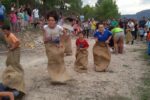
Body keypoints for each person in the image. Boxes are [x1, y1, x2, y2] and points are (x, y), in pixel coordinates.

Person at [43, 11, 71, 84]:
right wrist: (47, 39)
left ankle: (61, 75)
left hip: (57, 44)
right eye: (49, 20)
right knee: (51, 60)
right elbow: (45, 38)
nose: (50, 22)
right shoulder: (45, 27)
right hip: (49, 45)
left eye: (52, 20)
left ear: (55, 21)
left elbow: (65, 33)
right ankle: (54, 76)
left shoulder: (59, 27)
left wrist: (62, 41)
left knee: (59, 59)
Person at [1, 25, 25, 100]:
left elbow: (18, 42)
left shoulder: (11, 35)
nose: (4, 32)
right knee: (9, 62)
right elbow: (9, 43)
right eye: (3, 31)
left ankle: (18, 71)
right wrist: (9, 46)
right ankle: (13, 72)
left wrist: (13, 47)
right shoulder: (6, 35)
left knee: (15, 62)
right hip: (12, 49)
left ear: (9, 30)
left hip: (16, 50)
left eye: (5, 31)